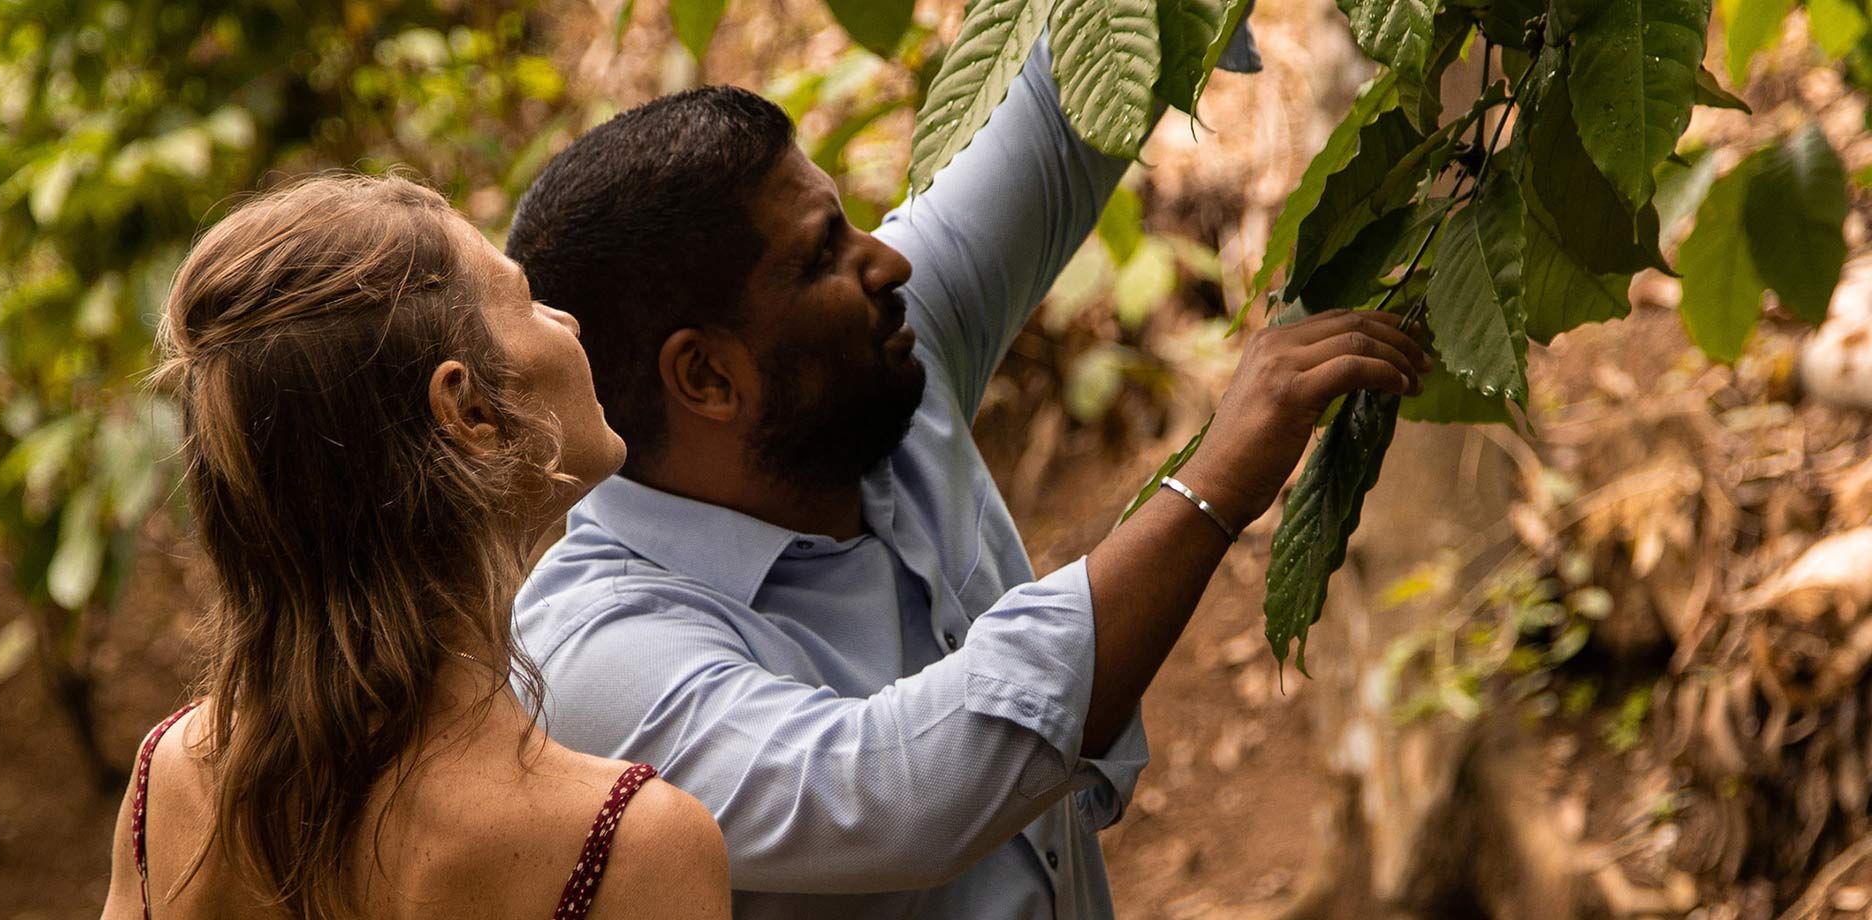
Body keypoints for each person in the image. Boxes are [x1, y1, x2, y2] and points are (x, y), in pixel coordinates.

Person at [506, 32, 1429, 920]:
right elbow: (898, 793)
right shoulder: (596, 658)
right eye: (824, 253)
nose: (890, 259)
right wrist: (1212, 486)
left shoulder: (868, 356)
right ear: (707, 376)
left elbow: (1075, 98)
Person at [99, 175, 730, 920]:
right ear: (467, 410)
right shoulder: (629, 846)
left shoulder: (173, 779)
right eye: (526, 301)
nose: (567, 322)